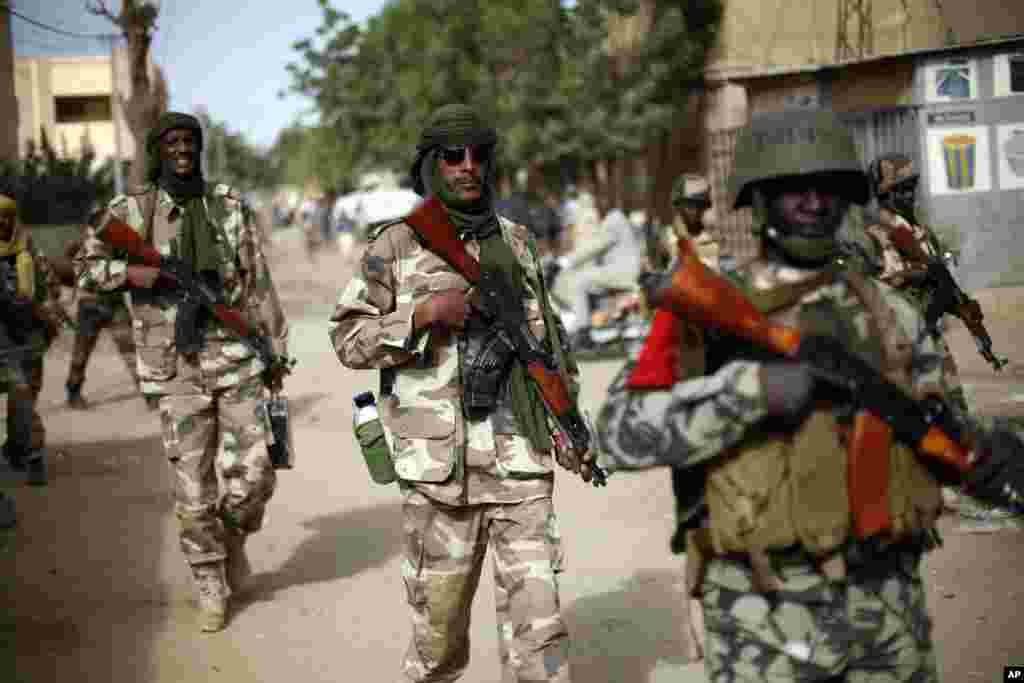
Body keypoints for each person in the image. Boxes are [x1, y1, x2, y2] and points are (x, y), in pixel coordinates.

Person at [596, 110, 1024, 681]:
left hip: (888, 617)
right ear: (760, 198)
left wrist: (986, 459)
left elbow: (933, 425)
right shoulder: (707, 312)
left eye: (828, 188)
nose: (815, 203)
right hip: (762, 625)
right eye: (794, 188)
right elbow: (617, 432)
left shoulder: (889, 312)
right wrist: (748, 391)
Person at [329, 103, 586, 682]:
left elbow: (549, 342)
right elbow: (348, 339)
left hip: (520, 467)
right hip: (437, 475)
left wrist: (570, 425)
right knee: (437, 638)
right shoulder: (394, 245)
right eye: (453, 155)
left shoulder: (517, 242)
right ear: (431, 164)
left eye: (479, 155)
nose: (468, 166)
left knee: (539, 629)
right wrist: (422, 315)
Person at [73, 112, 290, 633]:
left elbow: (257, 281)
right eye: (171, 142)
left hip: (237, 356)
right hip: (174, 368)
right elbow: (83, 266)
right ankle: (210, 578)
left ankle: (233, 537)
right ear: (157, 151)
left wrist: (274, 350)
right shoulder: (132, 211)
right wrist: (139, 273)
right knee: (193, 488)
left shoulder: (228, 206)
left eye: (190, 141)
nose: (183, 150)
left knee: (258, 470)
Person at [864, 154, 1020, 530]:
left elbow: (940, 279)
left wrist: (957, 305)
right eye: (898, 189)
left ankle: (960, 487)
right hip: (904, 337)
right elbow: (884, 280)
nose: (907, 194)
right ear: (882, 194)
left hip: (928, 332)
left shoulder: (918, 230)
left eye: (910, 187)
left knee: (951, 409)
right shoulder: (879, 232)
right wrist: (922, 274)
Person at [0, 193, 64, 486]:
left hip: (25, 340)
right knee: (21, 400)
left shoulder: (30, 252)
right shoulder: (29, 249)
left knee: (22, 399)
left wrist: (45, 324)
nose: (2, 223)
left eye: (6, 217)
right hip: (14, 340)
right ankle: (19, 450)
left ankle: (32, 455)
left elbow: (51, 293)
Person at [64, 209, 151, 410]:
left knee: (130, 350)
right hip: (90, 306)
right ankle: (73, 392)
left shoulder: (119, 243)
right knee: (80, 354)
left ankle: (147, 392)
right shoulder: (82, 246)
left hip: (113, 304)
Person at [549, 206, 643, 344]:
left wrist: (564, 262)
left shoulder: (614, 218)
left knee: (580, 280)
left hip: (623, 272)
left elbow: (595, 246)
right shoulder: (614, 218)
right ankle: (591, 326)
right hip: (619, 271)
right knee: (585, 281)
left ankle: (583, 333)